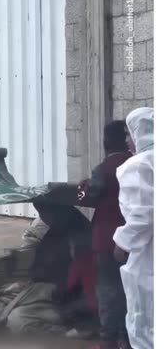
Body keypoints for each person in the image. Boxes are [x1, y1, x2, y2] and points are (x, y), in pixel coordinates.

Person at [77, 120, 132, 349]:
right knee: (131, 289)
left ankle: (109, 339)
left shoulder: (105, 168)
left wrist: (83, 186)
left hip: (107, 238)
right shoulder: (138, 163)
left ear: (106, 141)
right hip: (134, 237)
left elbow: (89, 196)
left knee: (109, 290)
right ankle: (128, 337)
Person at [113, 107, 154, 349]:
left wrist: (123, 242)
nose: (127, 140)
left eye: (129, 134)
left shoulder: (138, 165)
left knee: (145, 321)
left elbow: (144, 212)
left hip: (147, 254)